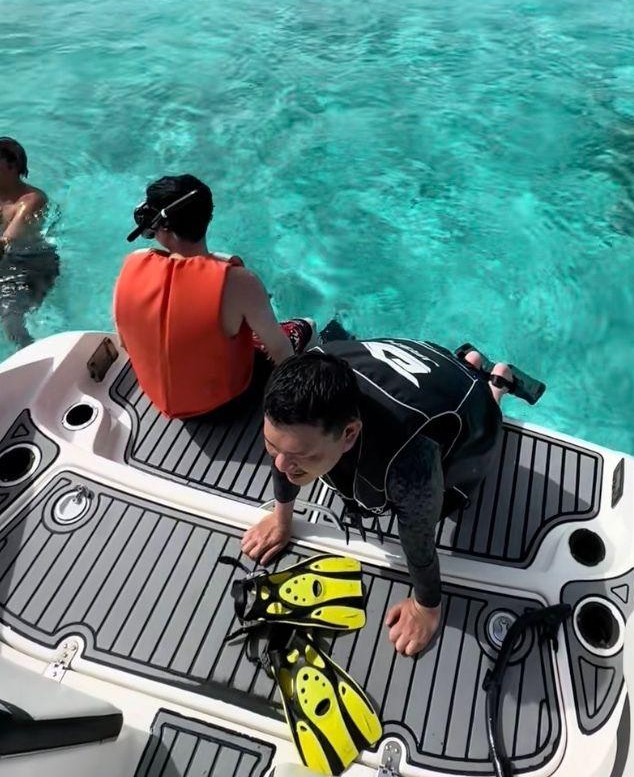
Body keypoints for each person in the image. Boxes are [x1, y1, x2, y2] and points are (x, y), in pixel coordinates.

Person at [241, 337, 538, 657]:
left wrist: (426, 608)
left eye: (302, 455)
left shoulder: (408, 463)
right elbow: (286, 451)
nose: (281, 464)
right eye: (272, 445)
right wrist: (281, 519)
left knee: (455, 489)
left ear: (349, 434)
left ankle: (494, 385)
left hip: (465, 409)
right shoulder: (294, 391)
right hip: (427, 366)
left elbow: (419, 537)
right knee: (290, 453)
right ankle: (470, 365)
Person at [114, 173, 311, 419]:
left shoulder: (133, 264)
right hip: (225, 406)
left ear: (161, 225)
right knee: (303, 327)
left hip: (156, 399)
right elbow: (281, 352)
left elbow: (124, 342)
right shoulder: (239, 282)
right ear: (208, 218)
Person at [0, 138, 59, 348]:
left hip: (31, 265)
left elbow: (6, 241)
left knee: (11, 321)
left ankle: (34, 353)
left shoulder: (32, 200)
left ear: (12, 165)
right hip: (5, 262)